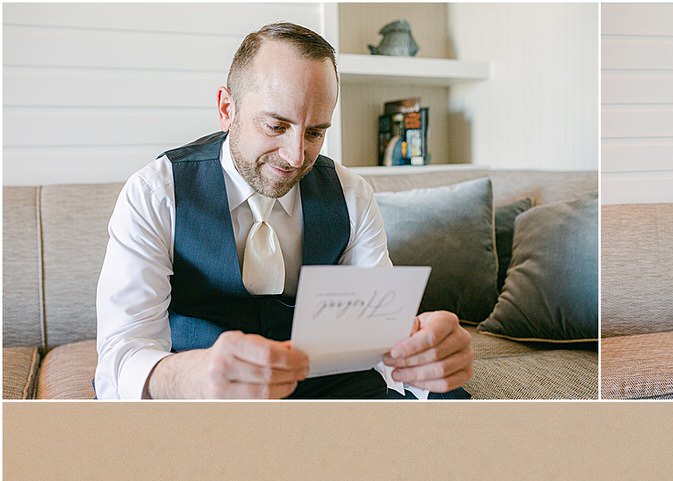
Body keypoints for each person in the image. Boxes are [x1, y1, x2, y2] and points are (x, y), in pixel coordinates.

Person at [95, 22, 472, 399]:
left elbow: (378, 338)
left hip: (324, 384)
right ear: (228, 109)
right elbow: (122, 353)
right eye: (276, 125)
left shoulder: (352, 195)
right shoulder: (155, 193)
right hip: (200, 391)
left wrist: (423, 360)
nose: (295, 157)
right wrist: (186, 378)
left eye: (314, 133)